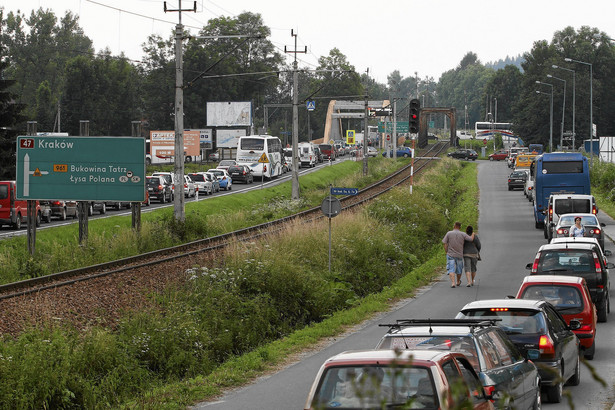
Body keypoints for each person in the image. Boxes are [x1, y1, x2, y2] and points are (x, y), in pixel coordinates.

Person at [442, 222, 475, 288]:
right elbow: (471, 239)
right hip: (459, 255)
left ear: (454, 226)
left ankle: (453, 283)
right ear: (460, 227)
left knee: (451, 269)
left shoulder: (449, 233)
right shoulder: (463, 234)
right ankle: (458, 281)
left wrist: (446, 251)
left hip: (450, 254)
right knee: (459, 269)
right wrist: (473, 234)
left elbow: (445, 243)